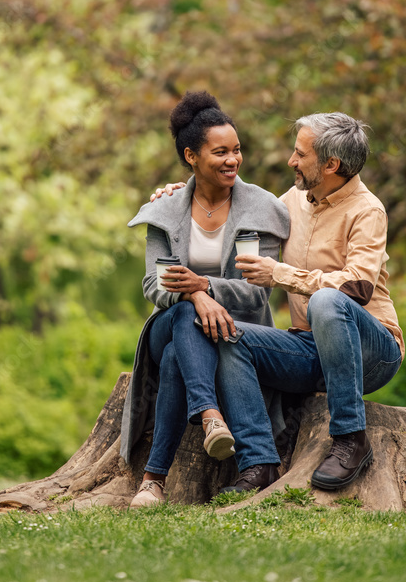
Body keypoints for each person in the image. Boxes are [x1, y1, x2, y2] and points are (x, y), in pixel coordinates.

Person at [154, 112, 404, 495]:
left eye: (300, 154)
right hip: (310, 348)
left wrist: (280, 274)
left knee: (326, 301)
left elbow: (358, 287)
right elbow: (236, 200)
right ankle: (259, 464)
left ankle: (351, 439)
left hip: (372, 351)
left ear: (331, 165)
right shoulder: (292, 202)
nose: (291, 161)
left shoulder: (367, 211)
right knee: (227, 334)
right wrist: (182, 194)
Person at [120, 91, 290, 508]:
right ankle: (210, 414)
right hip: (172, 320)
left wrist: (204, 286)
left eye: (236, 150)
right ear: (191, 156)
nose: (233, 159)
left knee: (182, 353)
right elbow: (154, 286)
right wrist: (197, 297)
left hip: (239, 333)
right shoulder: (166, 211)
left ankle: (153, 482)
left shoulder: (259, 210)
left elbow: (255, 291)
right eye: (220, 152)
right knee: (182, 320)